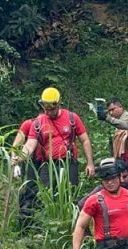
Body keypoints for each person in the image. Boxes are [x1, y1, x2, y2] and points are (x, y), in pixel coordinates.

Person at [14, 87, 96, 228]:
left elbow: (85, 140)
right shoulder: (38, 123)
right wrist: (17, 159)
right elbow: (30, 145)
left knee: (70, 196)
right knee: (45, 195)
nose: (49, 112)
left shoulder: (72, 118)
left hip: (68, 163)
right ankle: (48, 228)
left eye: (51, 109)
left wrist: (90, 163)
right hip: (49, 165)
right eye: (46, 109)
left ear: (58, 104)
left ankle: (73, 226)